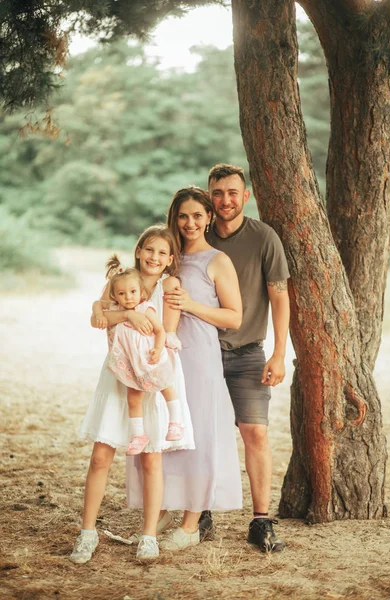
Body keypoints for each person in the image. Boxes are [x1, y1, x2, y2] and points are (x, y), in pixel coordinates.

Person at [167, 165, 290, 553]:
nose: (225, 200)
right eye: (217, 193)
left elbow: (280, 296)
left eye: (232, 193)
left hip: (247, 352)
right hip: (197, 352)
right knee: (198, 432)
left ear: (245, 196)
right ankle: (199, 511)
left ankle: (260, 520)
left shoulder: (262, 237)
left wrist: (279, 353)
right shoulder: (190, 237)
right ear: (208, 196)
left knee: (254, 432)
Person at [126, 187, 243, 551]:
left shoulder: (217, 261)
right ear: (173, 218)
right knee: (160, 431)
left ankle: (191, 522)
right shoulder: (164, 258)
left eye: (197, 215)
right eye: (183, 216)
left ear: (209, 218)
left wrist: (191, 305)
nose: (190, 223)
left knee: (197, 433)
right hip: (157, 357)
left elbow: (234, 317)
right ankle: (160, 509)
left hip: (199, 356)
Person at [70, 225, 194, 564]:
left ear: (170, 260)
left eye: (161, 253)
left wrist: (129, 320)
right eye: (148, 250)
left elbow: (166, 330)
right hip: (119, 373)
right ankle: (87, 532)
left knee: (151, 457)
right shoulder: (120, 281)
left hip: (154, 370)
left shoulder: (169, 285)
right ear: (139, 250)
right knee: (100, 456)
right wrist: (122, 313)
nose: (154, 257)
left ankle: (149, 535)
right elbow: (99, 318)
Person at [98, 254, 185, 455]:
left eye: (132, 291)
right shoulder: (116, 310)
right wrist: (99, 309)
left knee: (166, 386)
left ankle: (176, 421)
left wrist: (158, 347)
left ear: (141, 292)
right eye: (121, 293)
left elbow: (160, 330)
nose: (128, 297)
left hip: (150, 357)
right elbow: (98, 308)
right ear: (115, 296)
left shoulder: (146, 308)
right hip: (131, 362)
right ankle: (138, 435)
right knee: (133, 397)